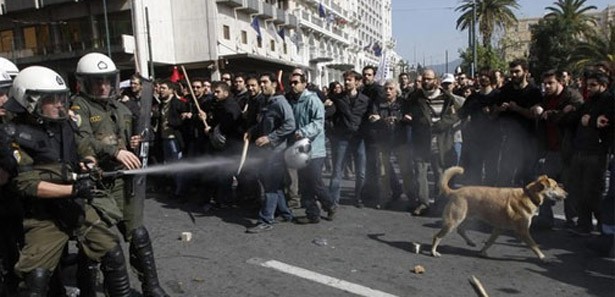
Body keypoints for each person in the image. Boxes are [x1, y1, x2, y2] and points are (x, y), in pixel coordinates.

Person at [5, 66, 131, 296]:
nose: (60, 105)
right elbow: (27, 184)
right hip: (43, 214)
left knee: (111, 250)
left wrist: (89, 163)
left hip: (75, 205)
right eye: (51, 100)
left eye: (61, 98)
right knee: (36, 277)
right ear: (30, 101)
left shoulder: (64, 123)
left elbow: (83, 147)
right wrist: (73, 189)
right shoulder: (12, 134)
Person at [70, 53, 169, 297]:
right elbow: (81, 141)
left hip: (122, 180)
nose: (103, 86)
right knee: (99, 243)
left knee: (138, 232)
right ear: (84, 83)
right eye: (97, 81)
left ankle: (151, 287)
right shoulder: (78, 107)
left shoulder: (121, 107)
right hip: (95, 183)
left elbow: (128, 140)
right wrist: (115, 151)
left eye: (107, 80)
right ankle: (88, 289)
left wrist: (135, 143)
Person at [532, 70, 583, 230]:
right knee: (545, 185)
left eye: (550, 83)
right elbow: (543, 113)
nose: (546, 86)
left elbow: (572, 118)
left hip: (568, 149)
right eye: (545, 83)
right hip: (551, 149)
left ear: (561, 82)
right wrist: (541, 109)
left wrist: (551, 114)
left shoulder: (572, 97)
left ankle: (572, 220)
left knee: (569, 186)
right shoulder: (546, 98)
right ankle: (545, 218)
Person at [245, 73, 295, 233]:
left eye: (265, 82)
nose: (262, 85)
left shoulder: (280, 102)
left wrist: (270, 138)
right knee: (274, 185)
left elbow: (290, 124)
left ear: (274, 84)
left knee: (270, 187)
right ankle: (286, 213)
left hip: (276, 152)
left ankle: (266, 220)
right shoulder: (267, 102)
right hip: (267, 152)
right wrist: (252, 130)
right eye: (260, 82)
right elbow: (262, 123)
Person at [404, 68, 459, 216]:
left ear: (436, 80)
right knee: (420, 172)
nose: (426, 82)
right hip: (421, 139)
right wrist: (408, 117)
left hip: (440, 141)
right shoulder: (415, 97)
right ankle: (423, 203)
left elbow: (455, 116)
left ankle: (440, 204)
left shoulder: (447, 98)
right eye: (424, 79)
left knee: (439, 172)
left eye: (429, 79)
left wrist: (441, 124)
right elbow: (406, 111)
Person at [287, 72, 336, 223]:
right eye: (291, 83)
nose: (293, 85)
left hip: (315, 149)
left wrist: (302, 132)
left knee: (315, 181)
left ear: (304, 83)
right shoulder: (292, 101)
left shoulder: (312, 100)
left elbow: (318, 123)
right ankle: (312, 214)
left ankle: (330, 205)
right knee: (304, 183)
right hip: (299, 149)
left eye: (296, 82)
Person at [328, 71, 369, 207]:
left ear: (357, 82)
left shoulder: (365, 100)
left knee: (361, 172)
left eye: (349, 80)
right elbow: (330, 114)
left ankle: (358, 198)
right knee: (337, 170)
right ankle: (333, 201)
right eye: (345, 80)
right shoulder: (337, 98)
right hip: (342, 138)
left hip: (358, 138)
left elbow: (367, 118)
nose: (346, 82)